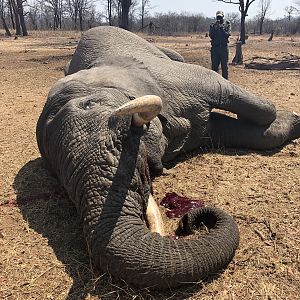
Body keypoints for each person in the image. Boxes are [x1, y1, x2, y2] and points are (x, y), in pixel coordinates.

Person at [209, 11, 231, 79]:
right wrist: (215, 29)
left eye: (220, 17)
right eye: (218, 17)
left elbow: (227, 35)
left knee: (224, 67)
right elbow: (211, 36)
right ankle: (214, 84)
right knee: (214, 68)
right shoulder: (213, 25)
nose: (219, 18)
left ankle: (226, 84)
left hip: (224, 48)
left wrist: (221, 28)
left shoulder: (227, 24)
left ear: (223, 17)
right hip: (215, 49)